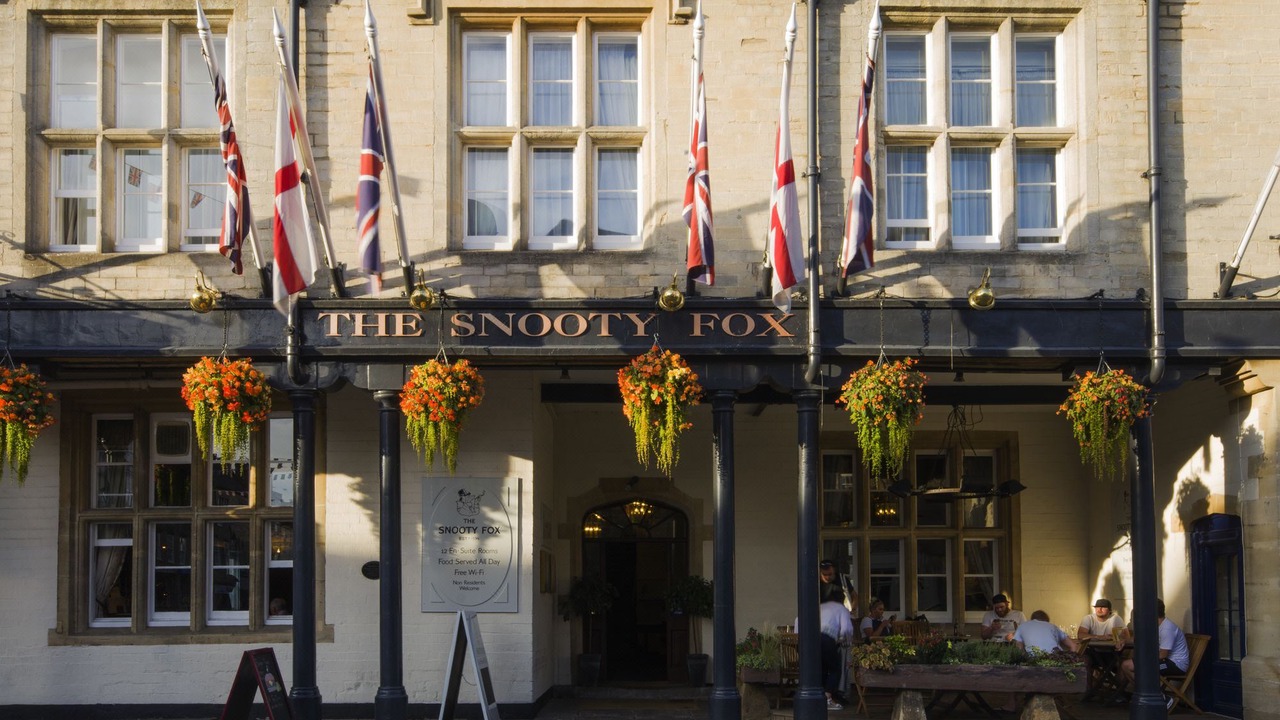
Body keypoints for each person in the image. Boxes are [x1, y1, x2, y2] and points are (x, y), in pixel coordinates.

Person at [1112, 599, 1188, 711]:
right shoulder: (1155, 625)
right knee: (1126, 665)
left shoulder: (1167, 628)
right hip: (1162, 660)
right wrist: (1125, 641)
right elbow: (1140, 639)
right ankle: (1157, 695)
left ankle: (1162, 698)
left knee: (1134, 666)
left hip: (1175, 664)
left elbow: (1163, 655)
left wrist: (1143, 660)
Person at [797, 586, 855, 710]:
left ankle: (818, 697)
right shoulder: (841, 609)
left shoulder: (820, 607)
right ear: (842, 599)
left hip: (811, 639)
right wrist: (842, 640)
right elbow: (846, 630)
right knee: (835, 669)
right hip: (827, 638)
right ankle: (828, 698)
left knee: (821, 668)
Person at [1014, 610, 1079, 654]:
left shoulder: (1022, 626)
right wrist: (1071, 663)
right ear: (1046, 620)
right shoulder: (1053, 626)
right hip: (1056, 658)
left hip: (1033, 661)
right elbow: (1073, 646)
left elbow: (1019, 650)